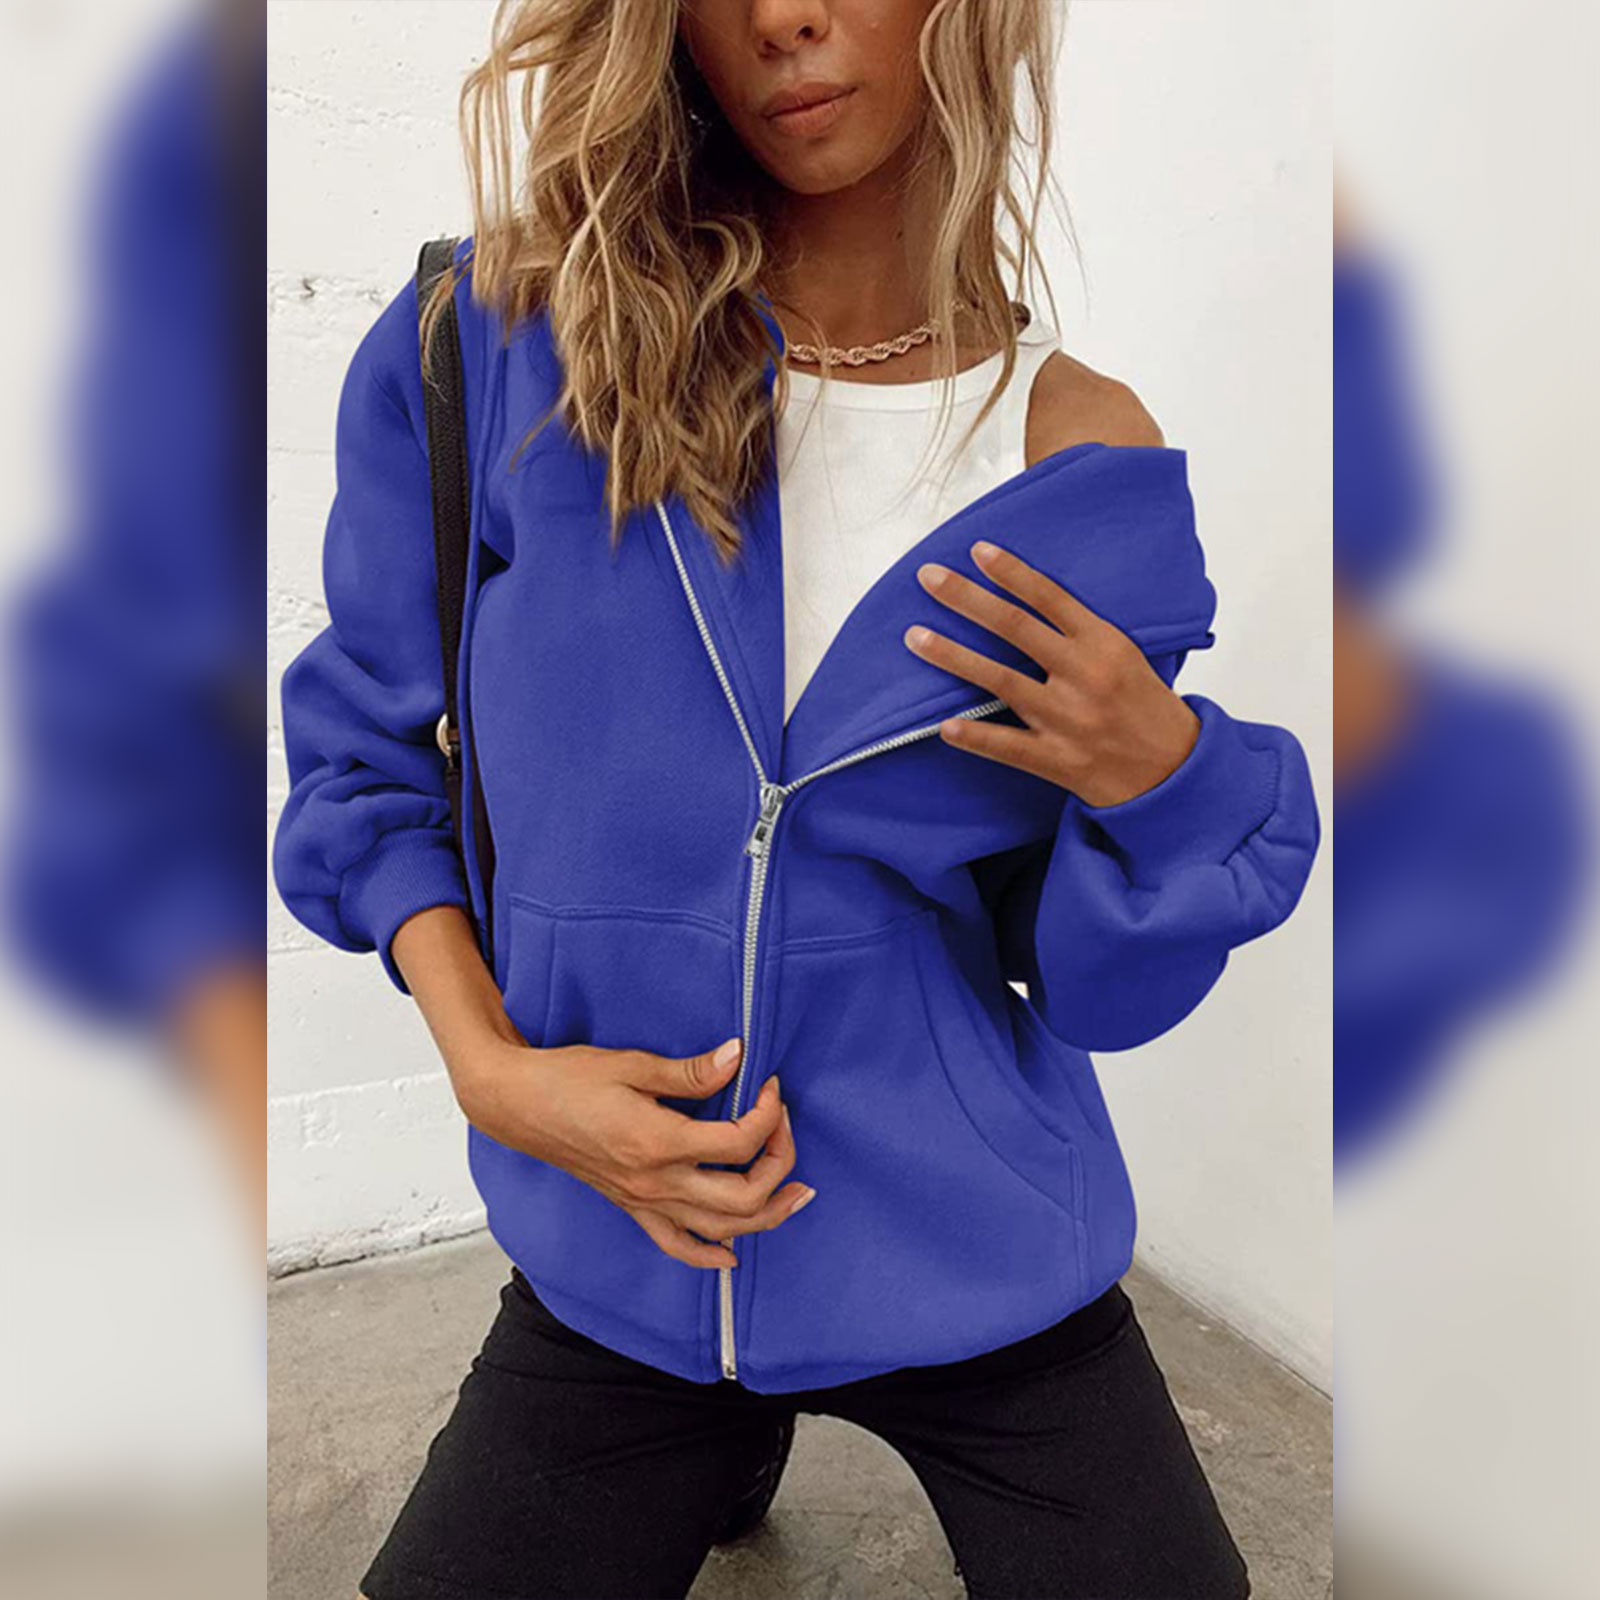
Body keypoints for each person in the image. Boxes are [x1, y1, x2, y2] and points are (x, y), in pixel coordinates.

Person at [272, 3, 1320, 1595]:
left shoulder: (1075, 450)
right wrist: (493, 1074)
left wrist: (1165, 790)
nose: (784, 18)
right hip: (625, 1251)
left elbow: (1096, 992)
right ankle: (722, 1431)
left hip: (974, 1246)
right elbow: (366, 762)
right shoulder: (507, 345)